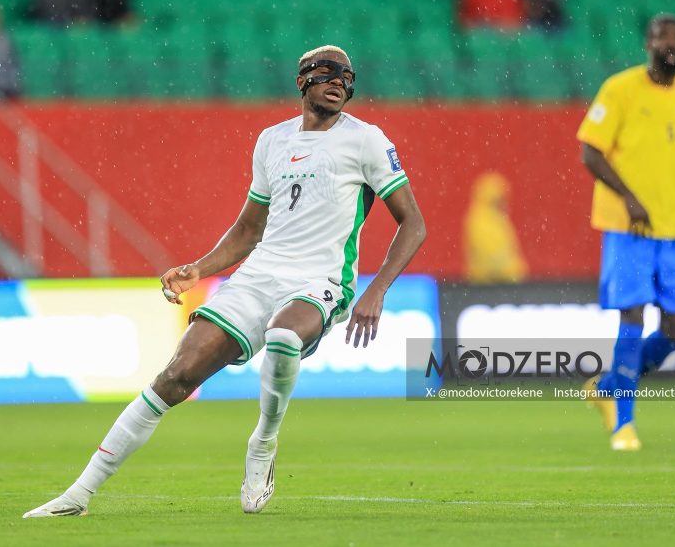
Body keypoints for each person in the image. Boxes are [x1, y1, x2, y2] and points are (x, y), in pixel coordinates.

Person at [23, 45, 426, 517]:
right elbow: (249, 229)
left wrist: (376, 290)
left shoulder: (367, 141)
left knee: (283, 335)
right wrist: (199, 268)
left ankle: (264, 442)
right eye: (327, 72)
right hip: (259, 275)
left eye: (347, 76)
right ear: (302, 81)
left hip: (322, 278)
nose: (339, 81)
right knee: (175, 377)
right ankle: (78, 495)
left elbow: (413, 223)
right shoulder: (272, 141)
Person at [577, 14, 675, 451]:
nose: (671, 44)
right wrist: (628, 197)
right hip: (629, 227)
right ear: (647, 44)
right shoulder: (619, 90)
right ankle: (624, 422)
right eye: (662, 37)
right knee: (632, 317)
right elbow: (590, 151)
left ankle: (609, 386)